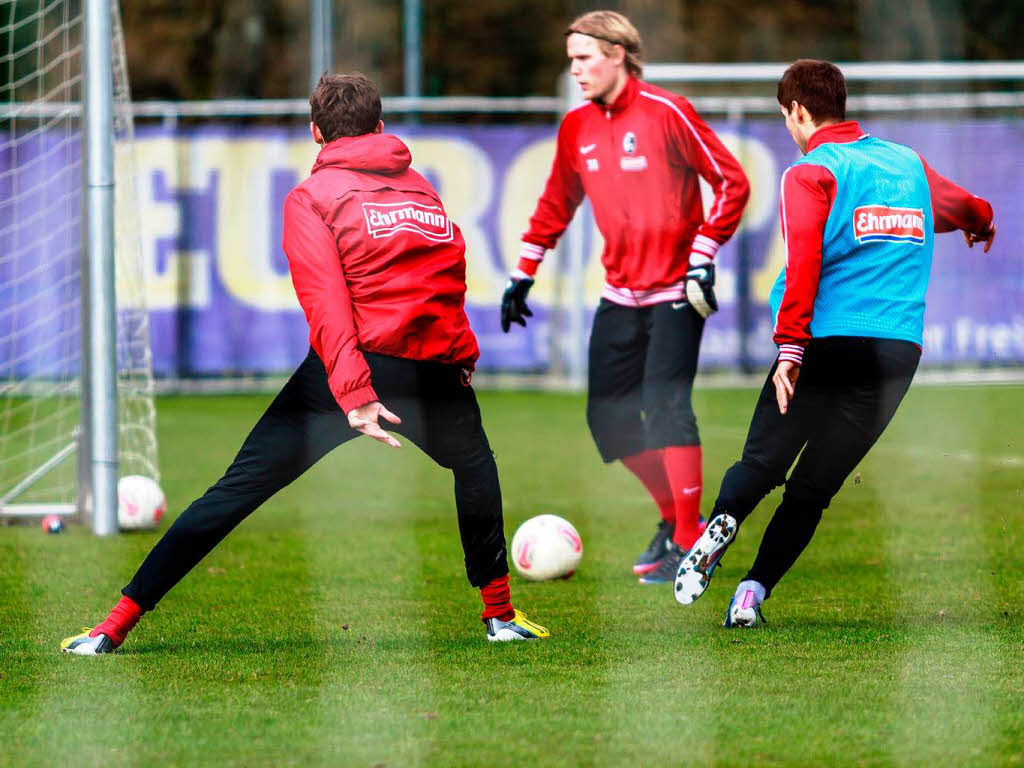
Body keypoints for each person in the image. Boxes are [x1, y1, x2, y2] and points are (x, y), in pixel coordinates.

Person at [61, 73, 549, 654]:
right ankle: (500, 618)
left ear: (316, 132)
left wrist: (355, 392)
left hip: (350, 372)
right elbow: (447, 285)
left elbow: (326, 305)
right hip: (428, 369)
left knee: (234, 492)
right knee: (475, 468)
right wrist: (460, 363)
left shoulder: (310, 199)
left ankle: (113, 625)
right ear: (382, 127)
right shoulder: (424, 192)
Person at [673, 59, 996, 627]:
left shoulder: (811, 171)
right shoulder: (907, 164)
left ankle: (721, 524)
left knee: (762, 460)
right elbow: (963, 209)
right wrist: (981, 223)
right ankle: (751, 594)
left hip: (824, 341)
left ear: (797, 111)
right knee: (814, 487)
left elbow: (804, 261)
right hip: (895, 355)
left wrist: (791, 349)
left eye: (786, 119)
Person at [501, 10, 750, 584]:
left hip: (677, 292)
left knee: (666, 410)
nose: (576, 70)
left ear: (618, 53)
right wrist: (523, 272)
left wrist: (704, 252)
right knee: (608, 421)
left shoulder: (668, 113)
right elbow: (556, 203)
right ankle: (674, 517)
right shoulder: (576, 127)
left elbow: (732, 182)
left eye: (584, 58)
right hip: (620, 294)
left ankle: (691, 542)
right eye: (571, 61)